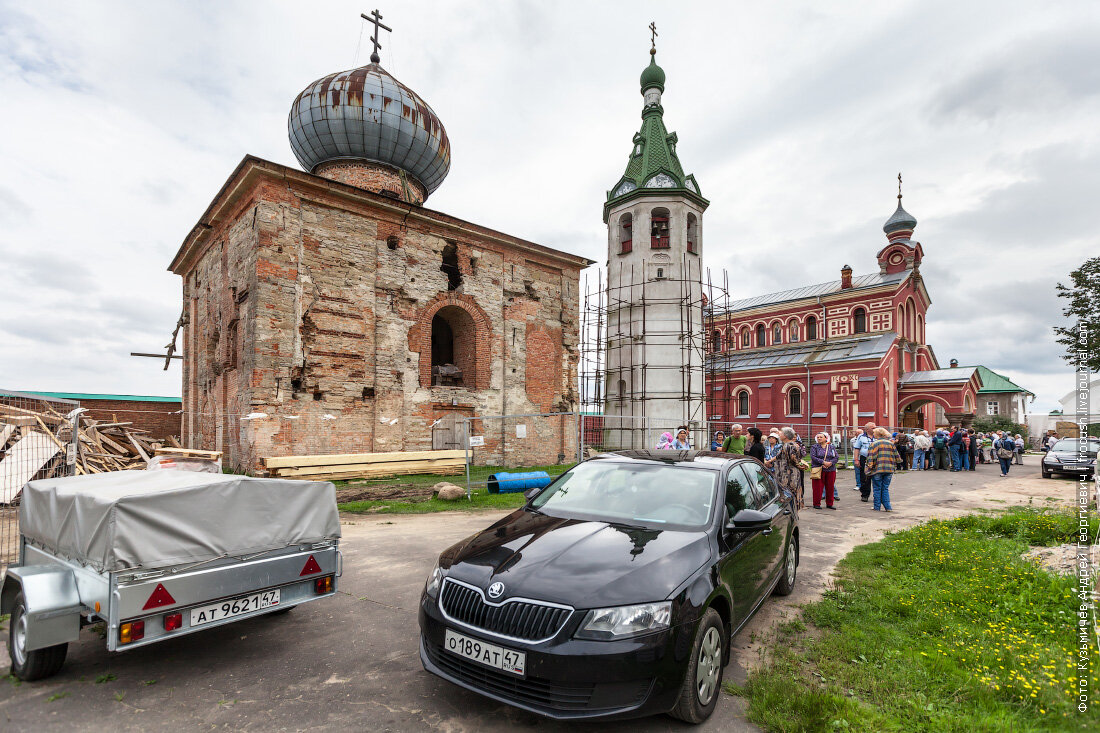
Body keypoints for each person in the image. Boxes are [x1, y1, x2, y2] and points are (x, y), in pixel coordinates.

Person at [866, 427, 900, 511]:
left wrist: (869, 467)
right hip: (889, 469)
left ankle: (876, 507)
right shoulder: (891, 444)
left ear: (877, 434)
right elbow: (898, 458)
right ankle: (888, 507)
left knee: (877, 488)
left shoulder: (873, 444)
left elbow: (870, 458)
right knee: (885, 488)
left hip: (877, 469)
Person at [773, 427, 807, 509]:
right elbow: (778, 457)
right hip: (785, 474)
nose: (779, 435)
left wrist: (801, 466)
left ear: (785, 436)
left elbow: (794, 460)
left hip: (789, 476)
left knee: (789, 493)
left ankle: (791, 511)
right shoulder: (787, 445)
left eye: (780, 433)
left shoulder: (789, 446)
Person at [810, 432, 838, 509]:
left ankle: (829, 503)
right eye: (818, 437)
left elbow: (836, 457)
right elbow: (813, 457)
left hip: (830, 469)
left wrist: (830, 463)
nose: (819, 438)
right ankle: (816, 503)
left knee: (830, 487)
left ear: (826, 438)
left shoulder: (831, 447)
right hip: (818, 469)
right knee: (817, 487)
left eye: (821, 437)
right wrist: (823, 462)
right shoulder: (814, 447)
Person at [851, 423, 876, 500]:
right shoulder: (861, 437)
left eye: (875, 427)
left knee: (877, 477)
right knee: (864, 477)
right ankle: (865, 495)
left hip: (876, 459)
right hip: (864, 458)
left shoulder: (878, 435)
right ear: (867, 429)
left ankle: (877, 496)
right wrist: (856, 460)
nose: (875, 429)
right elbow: (857, 448)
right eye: (873, 428)